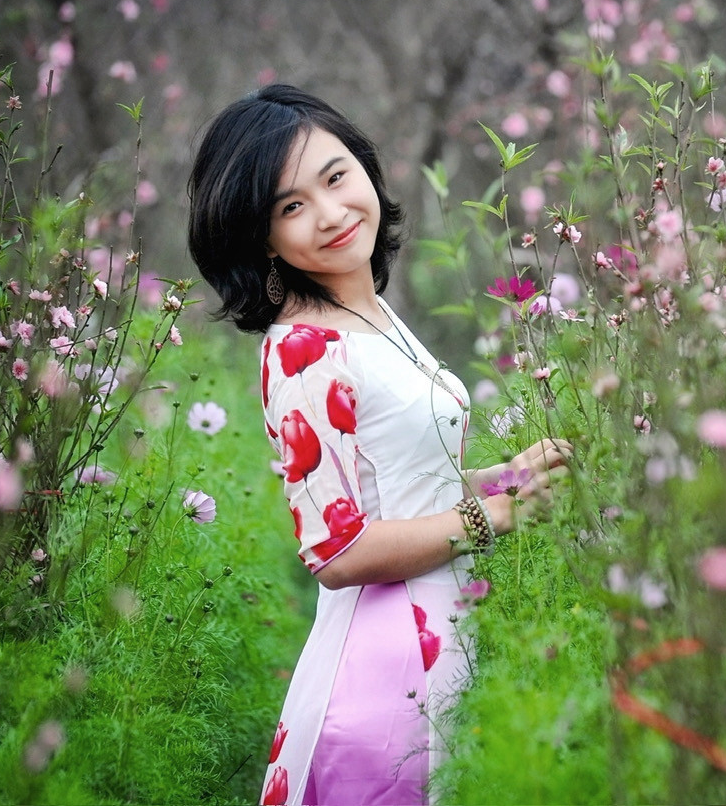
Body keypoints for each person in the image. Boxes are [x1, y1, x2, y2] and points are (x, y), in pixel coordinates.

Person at [187, 84, 571, 806]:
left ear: (363, 168)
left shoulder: (368, 314)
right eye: (291, 207)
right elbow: (336, 551)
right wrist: (491, 516)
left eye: (335, 177)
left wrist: (499, 479)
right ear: (263, 239)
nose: (330, 213)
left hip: (441, 639)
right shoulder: (303, 348)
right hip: (384, 684)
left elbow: (396, 486)